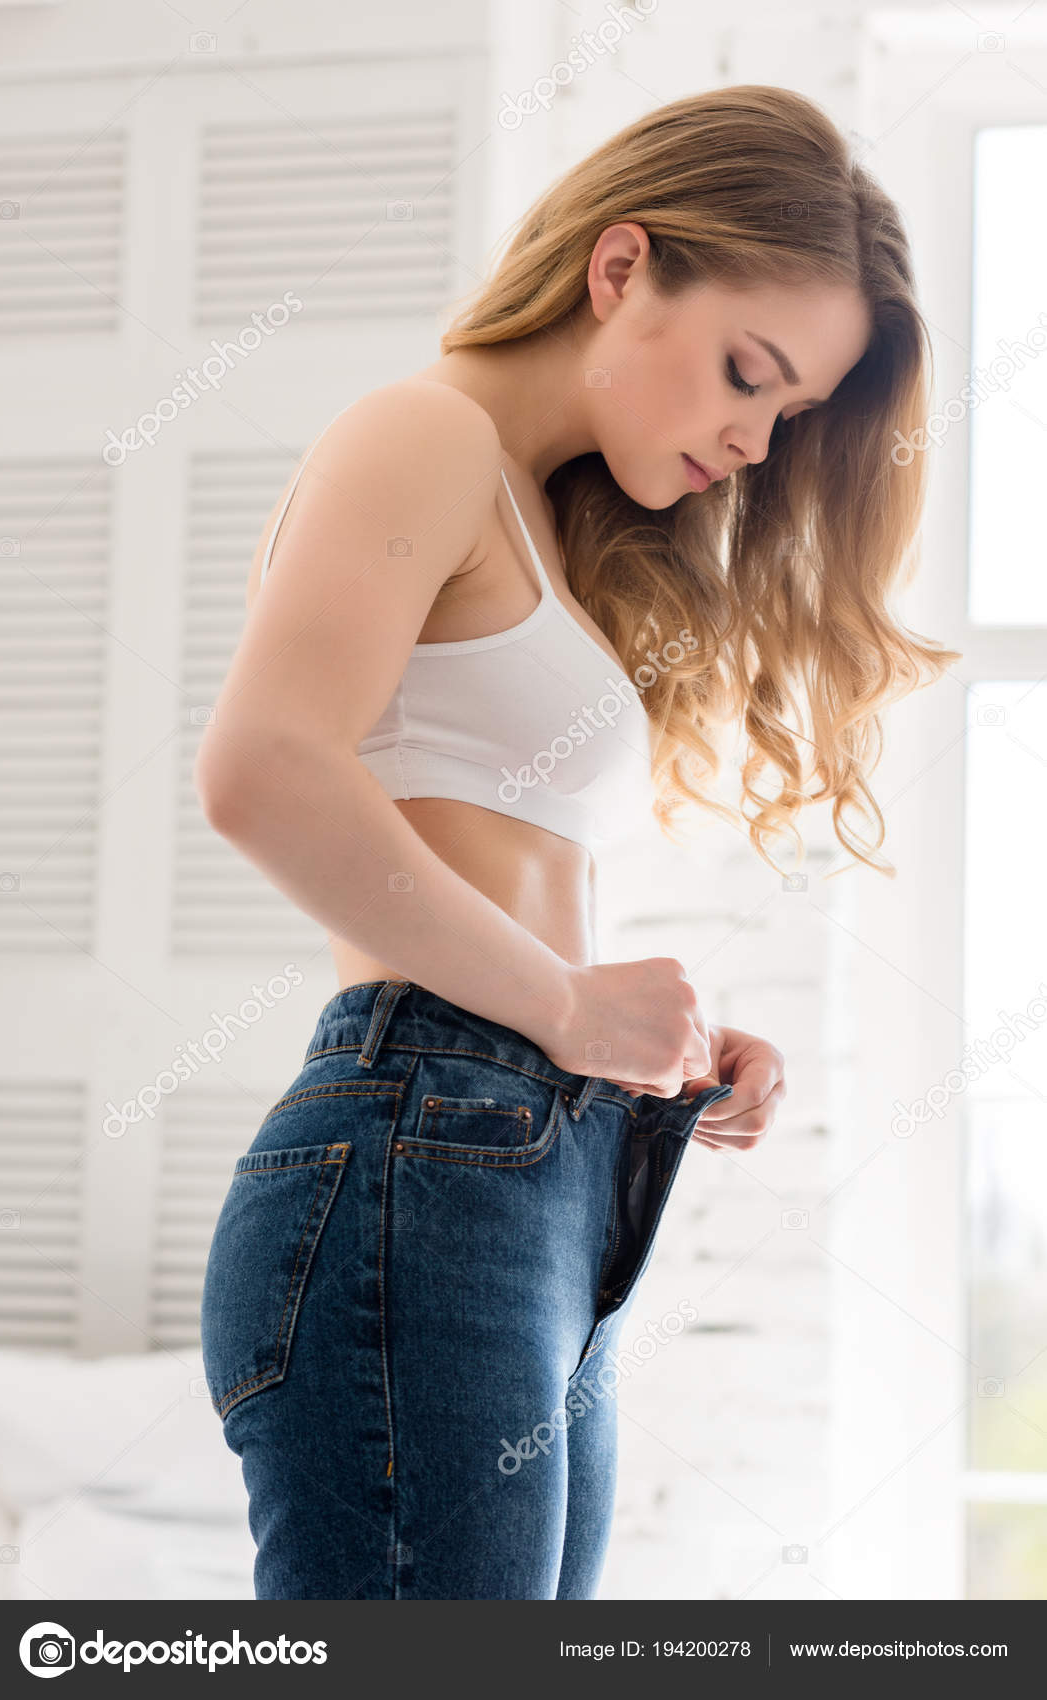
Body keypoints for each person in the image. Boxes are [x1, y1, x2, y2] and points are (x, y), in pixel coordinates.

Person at [196, 85, 959, 1601]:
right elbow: (263, 770)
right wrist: (560, 1005)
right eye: (750, 373)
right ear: (622, 269)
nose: (752, 439)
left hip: (526, 1168)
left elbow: (483, 847)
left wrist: (637, 1036)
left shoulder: (545, 517)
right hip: (422, 1139)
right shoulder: (422, 435)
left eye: (790, 414)